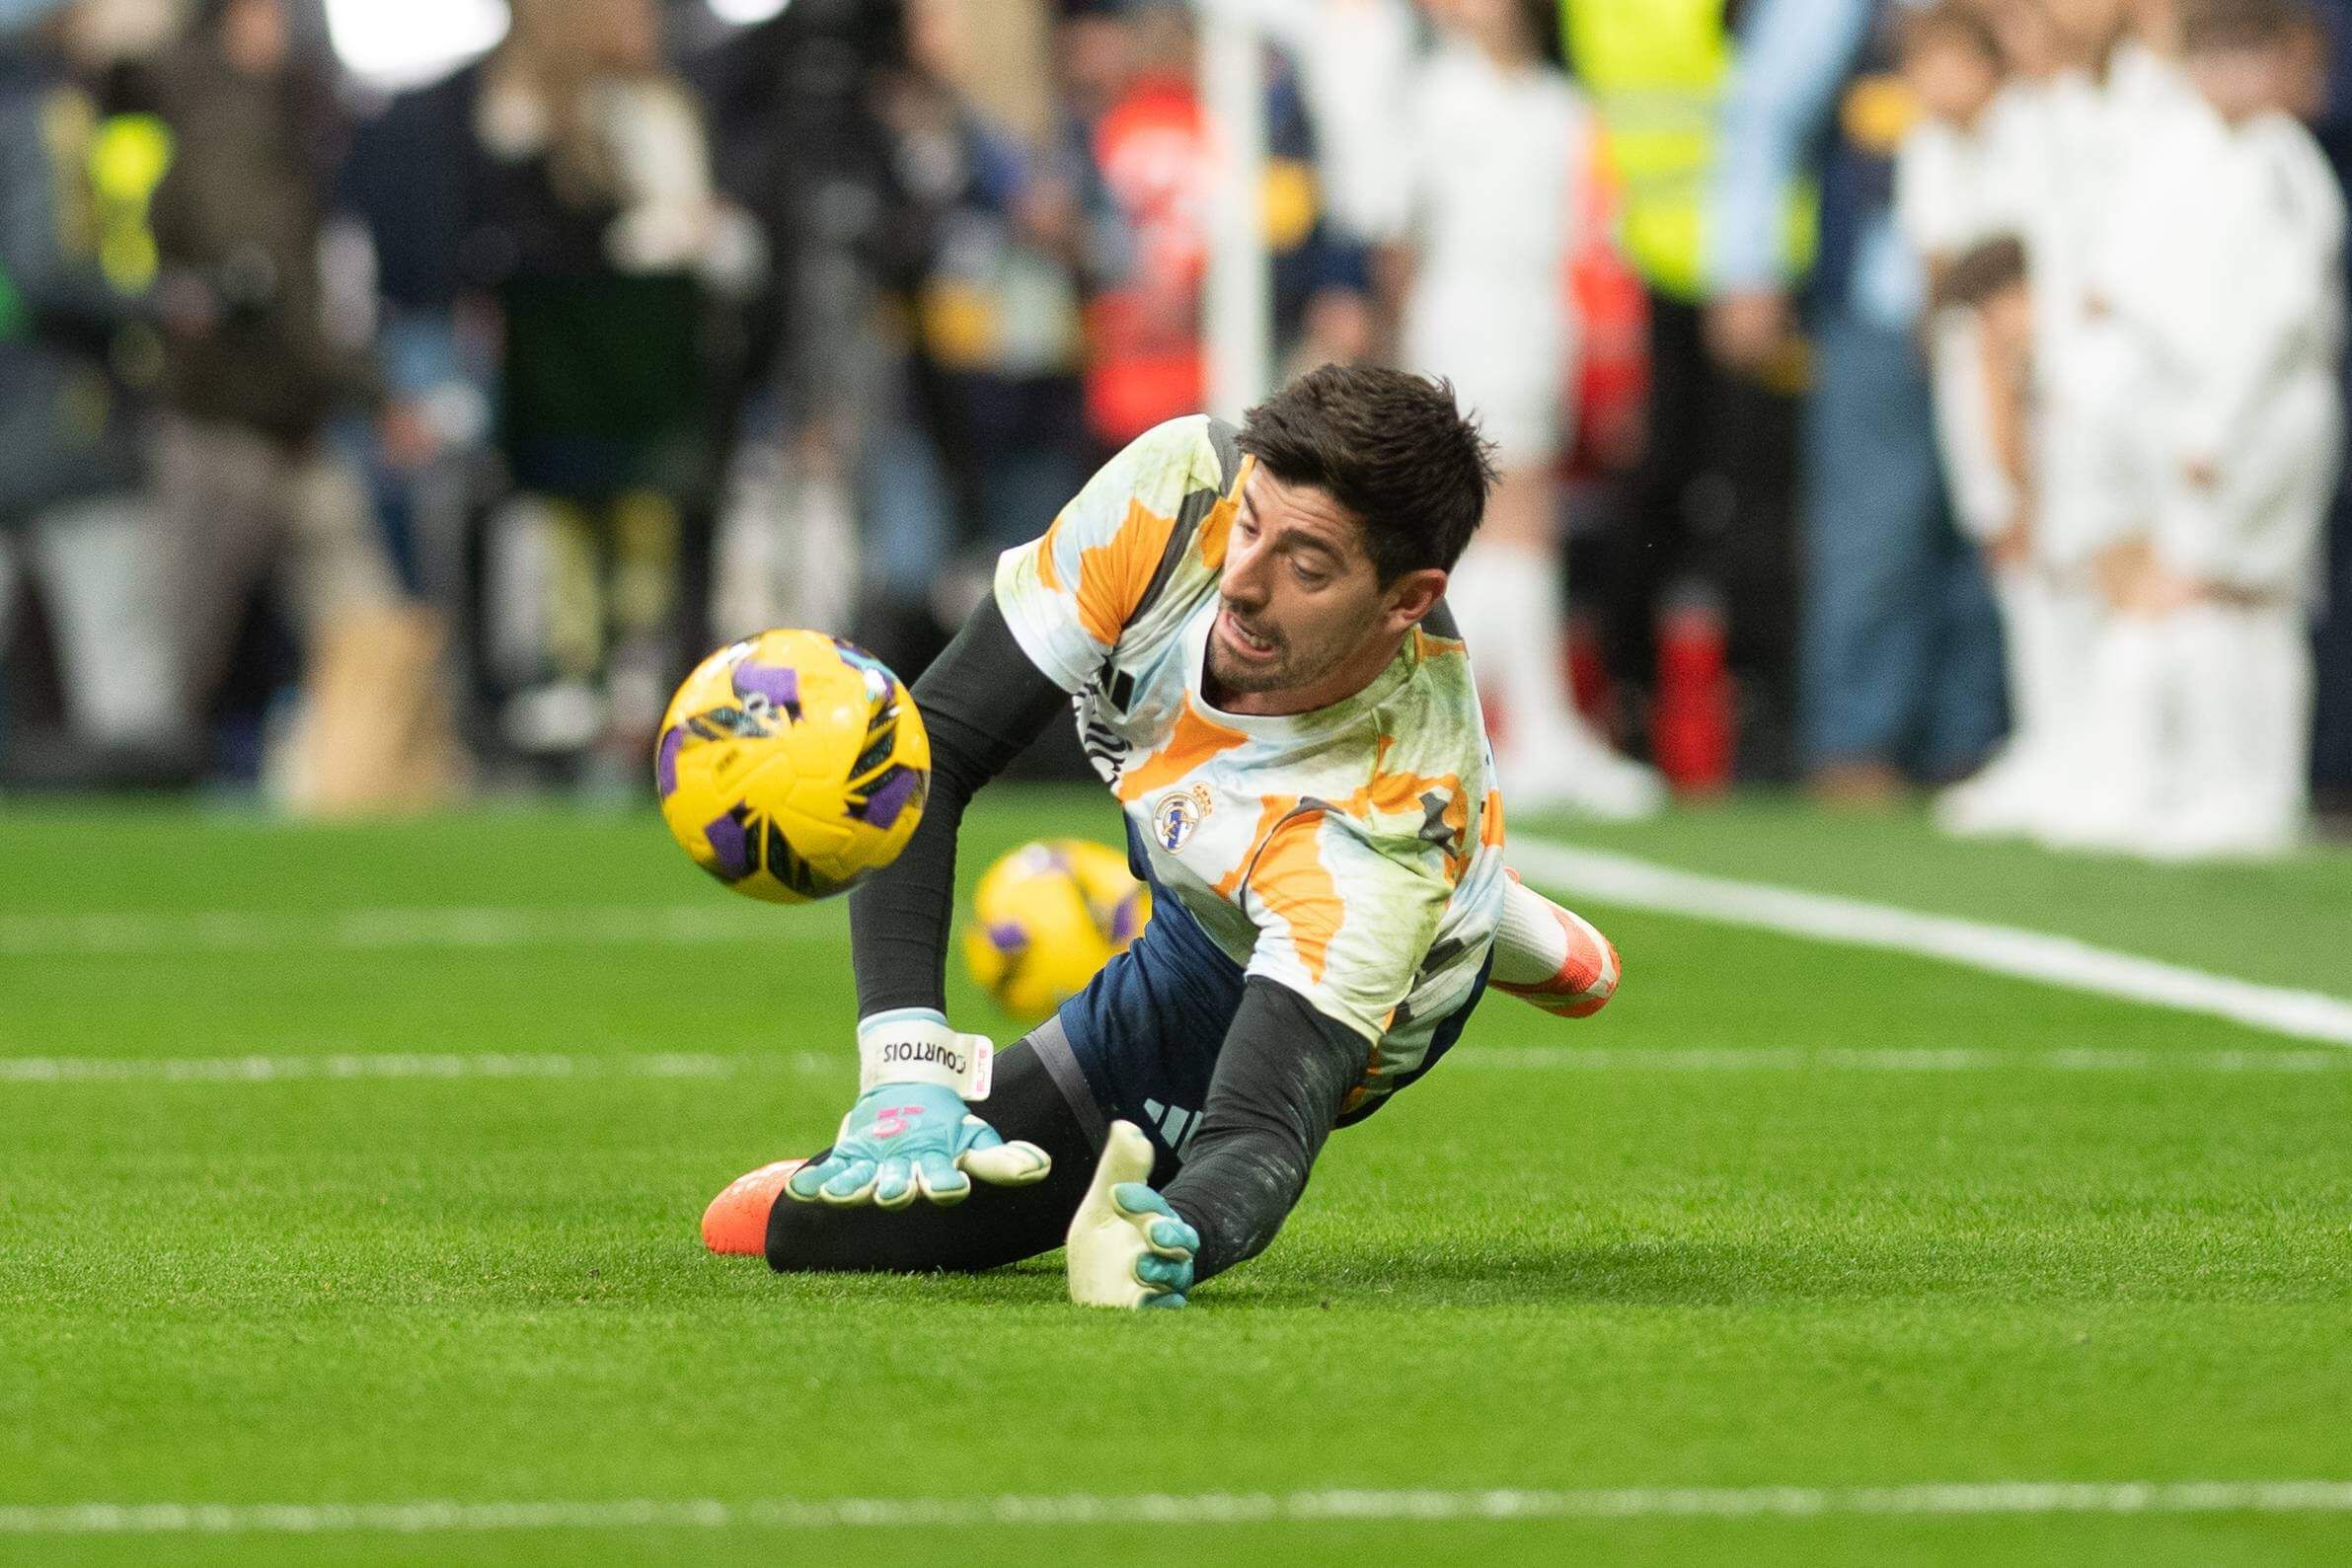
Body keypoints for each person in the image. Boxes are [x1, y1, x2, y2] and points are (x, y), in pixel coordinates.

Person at [702, 365, 1623, 1307]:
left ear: (1406, 600)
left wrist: (1170, 1231)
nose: (1244, 582)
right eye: (1252, 523)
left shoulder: (1379, 840)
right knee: (1194, 806)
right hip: (1201, 841)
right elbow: (928, 750)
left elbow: (1258, 1136)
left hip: (1250, 965)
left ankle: (1461, 925)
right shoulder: (1181, 489)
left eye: (1305, 567)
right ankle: (1480, 894)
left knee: (803, 1231)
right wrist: (902, 1061)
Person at [2062, 0, 2343, 856]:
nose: (2227, 80)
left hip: (2265, 413)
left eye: (2245, 63)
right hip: (2213, 411)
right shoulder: (2219, 157)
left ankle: (2249, 789)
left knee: (2234, 592)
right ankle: (2219, 782)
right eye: (2210, 63)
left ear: (2282, 67)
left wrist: (2215, 427)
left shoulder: (2279, 164)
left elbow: (2275, 318)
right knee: (2226, 592)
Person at [1395, 0, 1667, 818]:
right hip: (1462, 313)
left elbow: (1591, 233)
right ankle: (1488, 724)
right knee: (1491, 515)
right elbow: (1400, 233)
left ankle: (1520, 723)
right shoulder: (1434, 92)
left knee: (1527, 515)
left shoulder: (1560, 105)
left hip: (1541, 318)